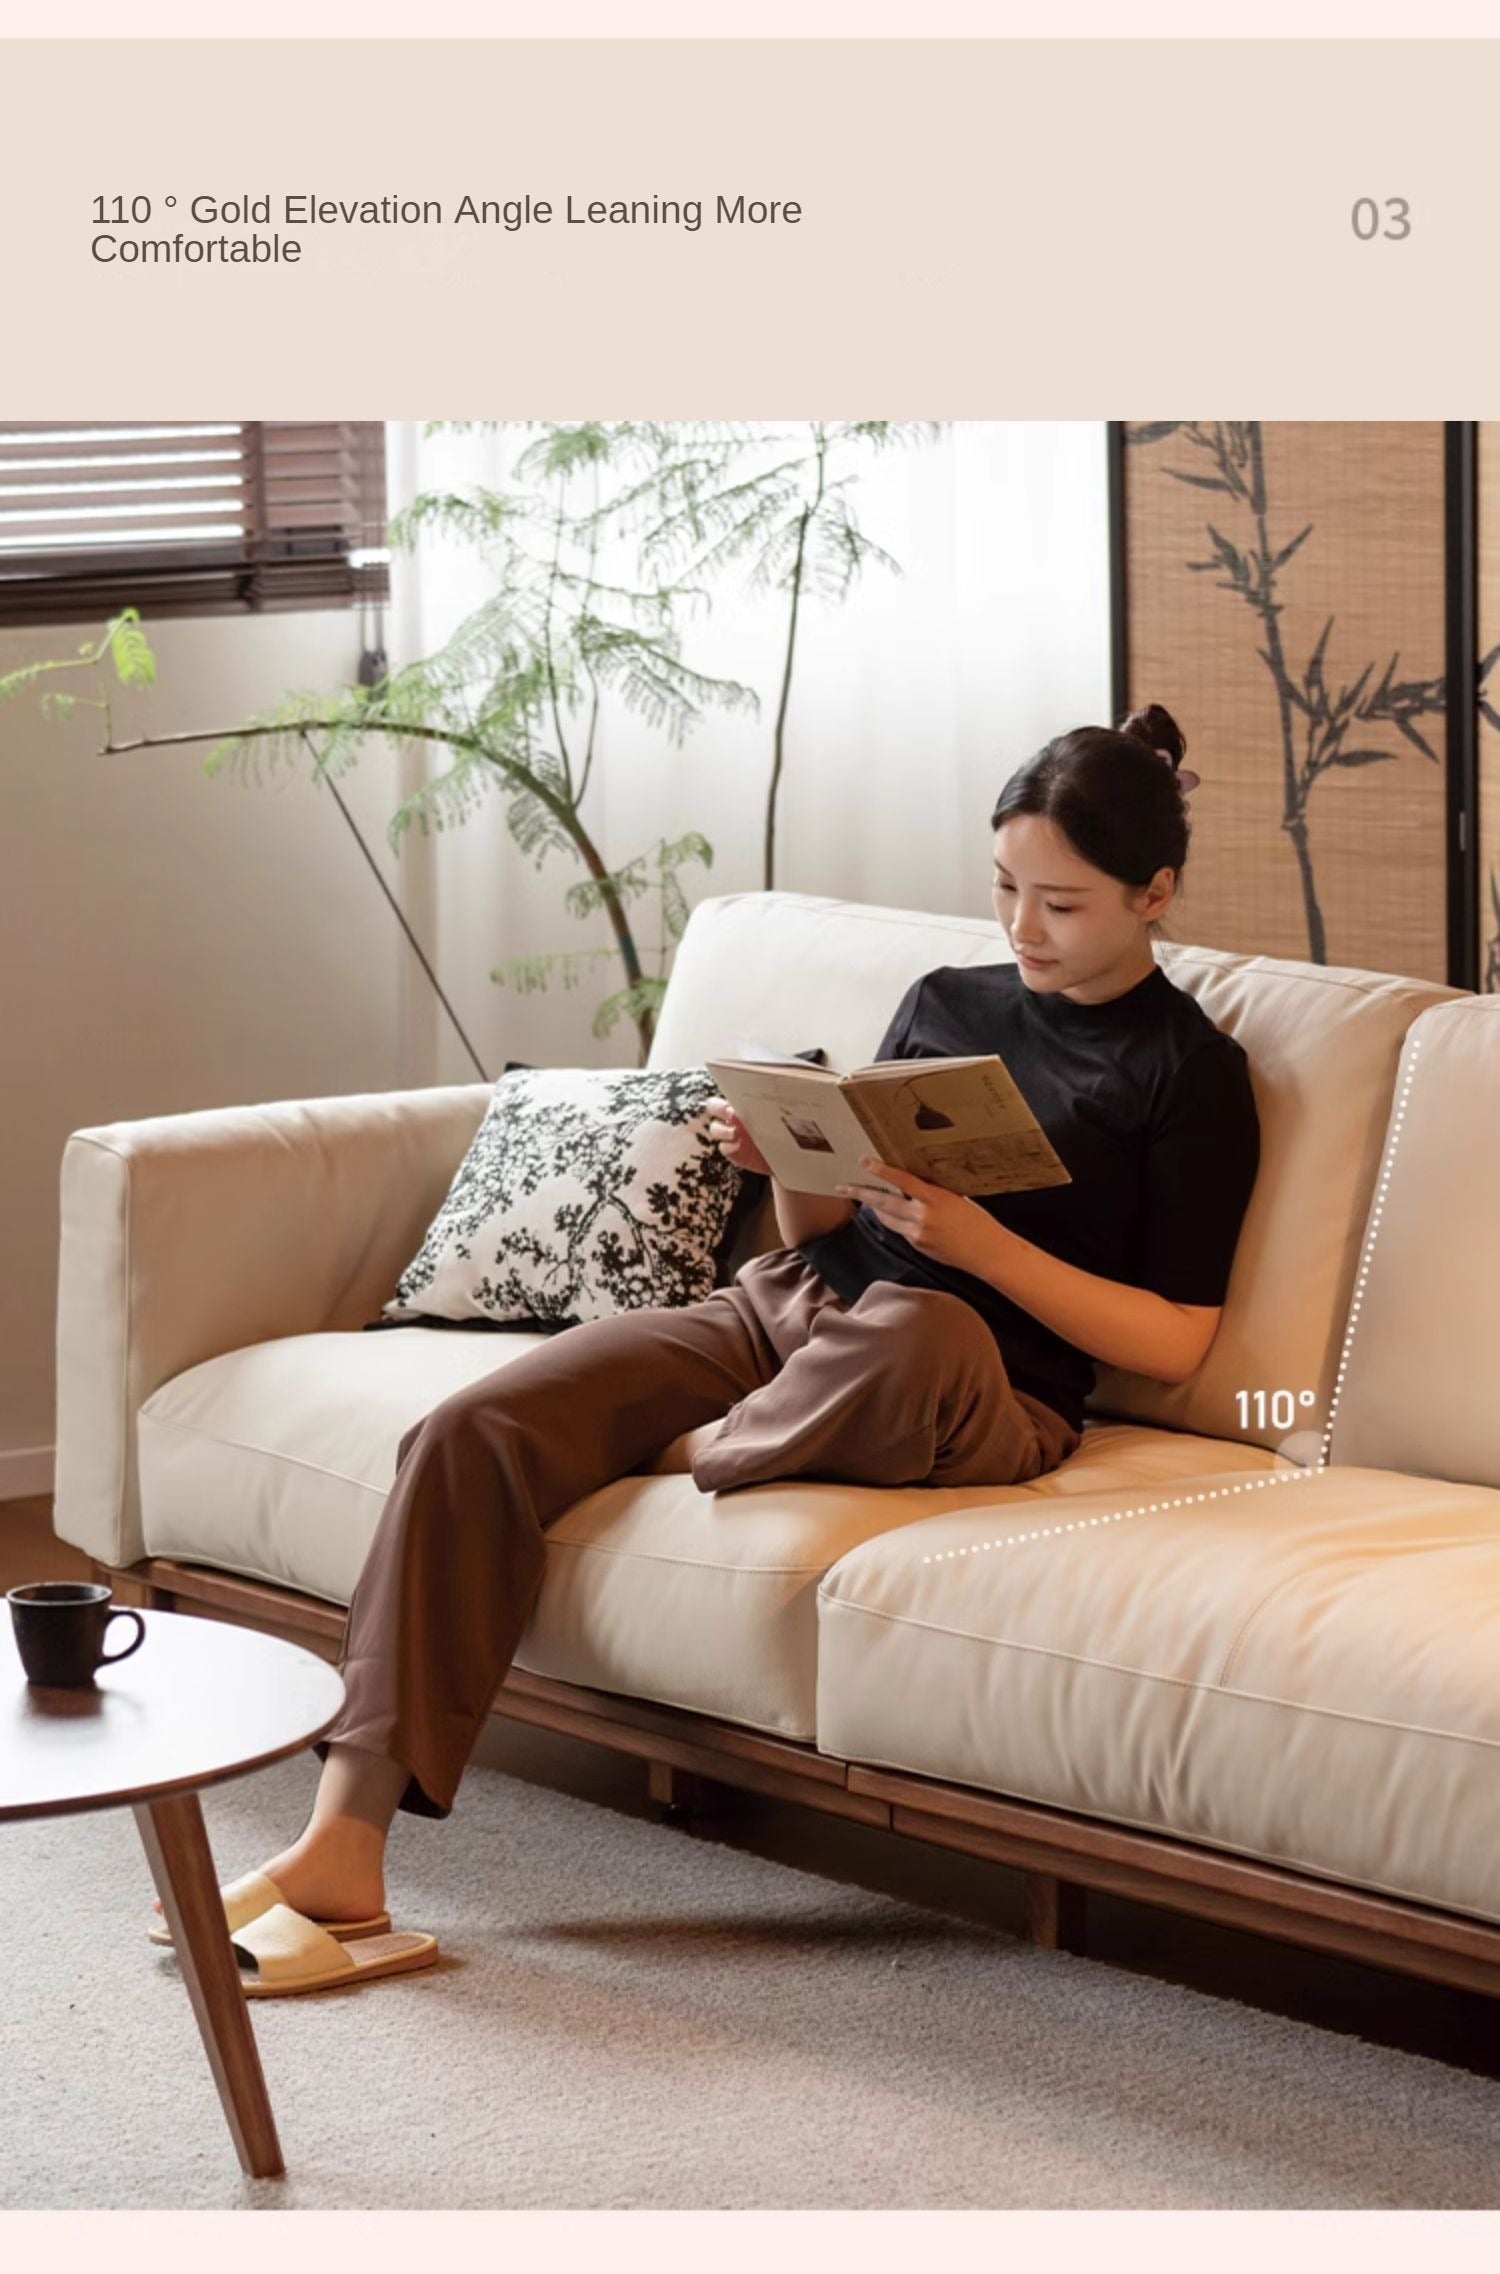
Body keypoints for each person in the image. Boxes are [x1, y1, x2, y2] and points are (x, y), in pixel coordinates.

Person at [160, 700, 1259, 1966]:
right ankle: (344, 1845)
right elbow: (821, 1223)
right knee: (477, 1425)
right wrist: (796, 1158)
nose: (1023, 928)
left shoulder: (1191, 1072)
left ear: (1154, 892)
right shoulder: (948, 998)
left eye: (1061, 904)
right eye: (1006, 887)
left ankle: (689, 1448)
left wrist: (981, 1246)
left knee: (918, 1324)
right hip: (793, 1307)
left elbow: (1177, 1341)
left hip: (977, 1379)